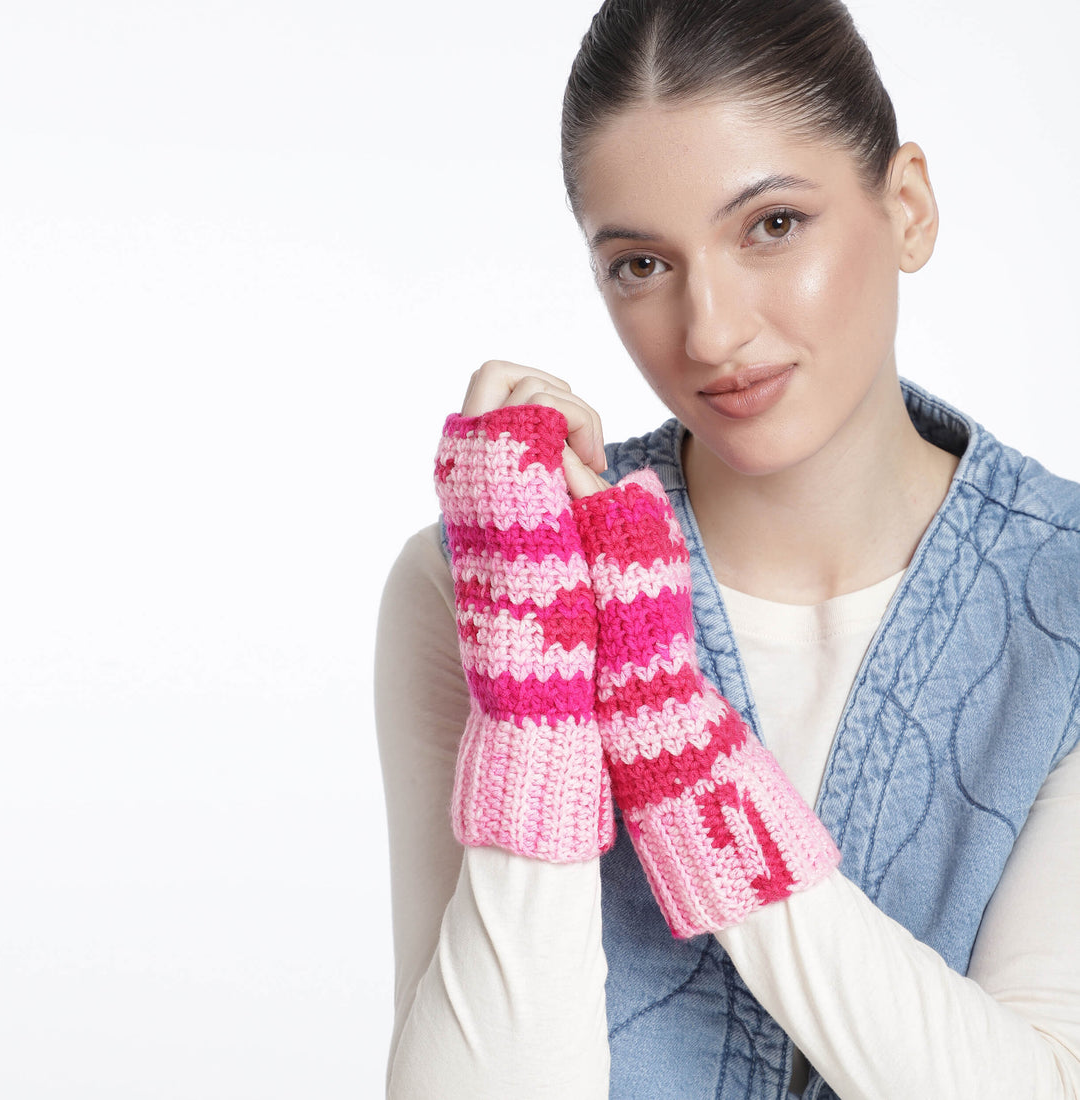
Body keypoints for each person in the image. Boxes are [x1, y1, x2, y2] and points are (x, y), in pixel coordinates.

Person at [375, 0, 1080, 1096]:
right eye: (640, 264)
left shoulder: (1062, 599)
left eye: (772, 224)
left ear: (905, 206)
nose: (709, 330)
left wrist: (679, 748)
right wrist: (536, 706)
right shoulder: (481, 583)